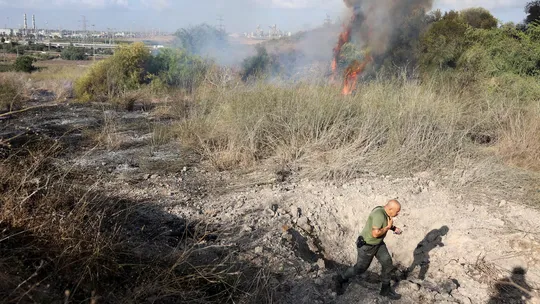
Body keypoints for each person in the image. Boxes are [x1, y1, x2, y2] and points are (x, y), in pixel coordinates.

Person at [334, 199, 403, 299]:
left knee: (387, 263)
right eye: (397, 211)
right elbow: (375, 234)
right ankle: (341, 278)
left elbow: (385, 223)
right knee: (360, 269)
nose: (398, 213)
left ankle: (385, 290)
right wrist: (387, 228)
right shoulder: (378, 214)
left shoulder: (386, 212)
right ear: (390, 209)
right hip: (367, 246)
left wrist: (393, 228)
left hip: (378, 244)